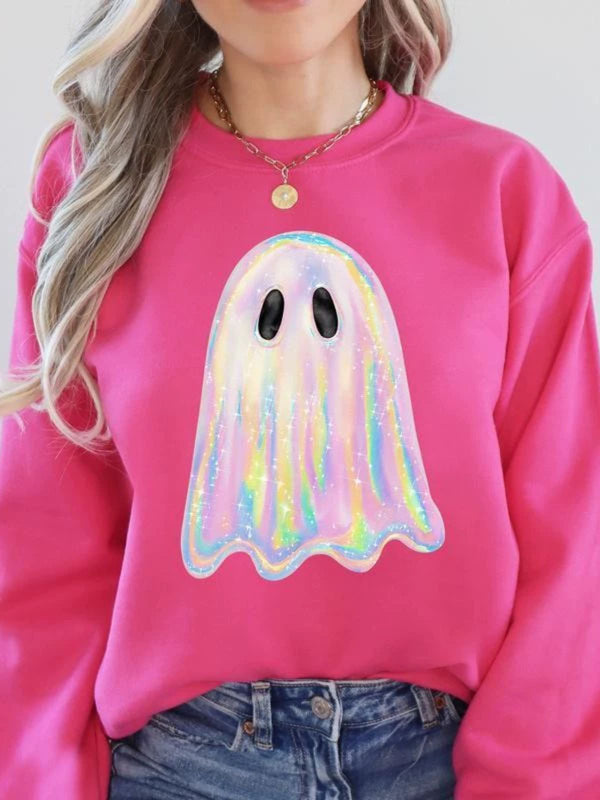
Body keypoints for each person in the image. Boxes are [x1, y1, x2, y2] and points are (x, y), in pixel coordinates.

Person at [1, 0, 599, 798]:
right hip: (174, 766)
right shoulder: (90, 188)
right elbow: (44, 553)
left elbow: (574, 554)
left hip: (449, 760)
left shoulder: (505, 192)